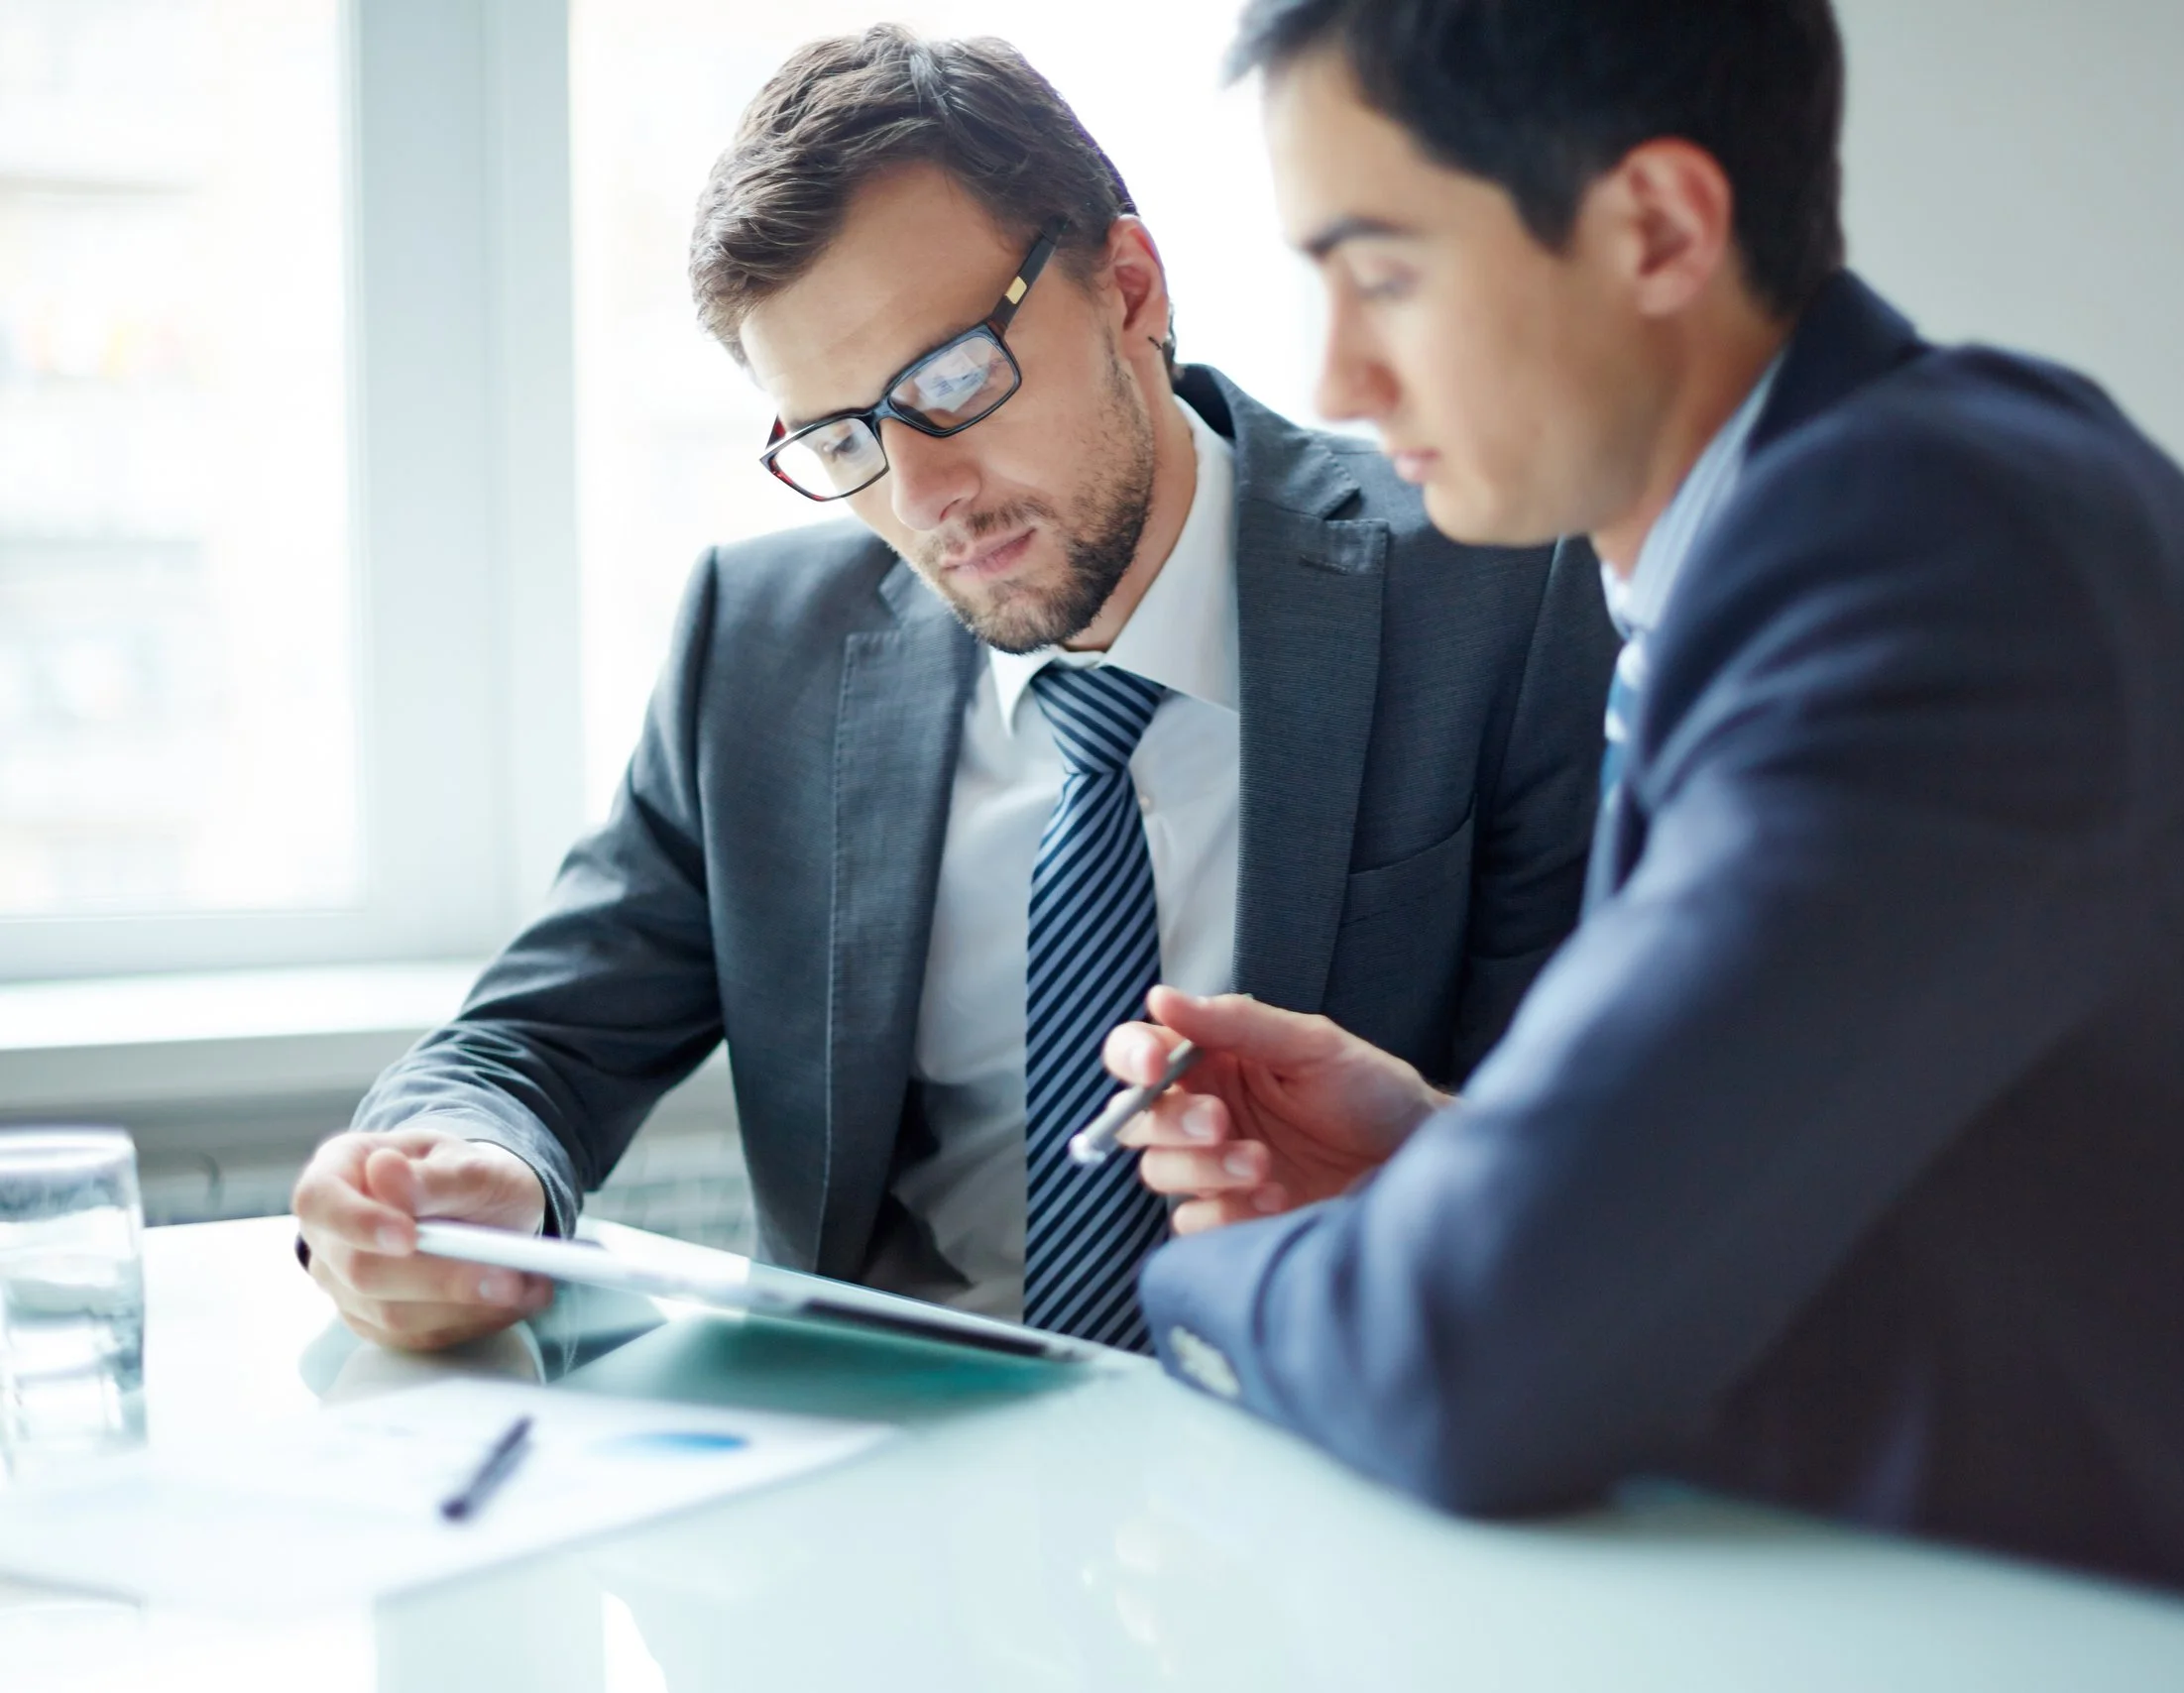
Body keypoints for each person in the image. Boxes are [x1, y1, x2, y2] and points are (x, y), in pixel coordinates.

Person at [1104, 0, 2184, 1651]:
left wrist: (1174, 1291)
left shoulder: (1936, 556)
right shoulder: (1825, 529)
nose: (1331, 371)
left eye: (1384, 270)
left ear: (1661, 229)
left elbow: (1477, 1360)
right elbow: (1859, 1170)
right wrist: (1434, 1165)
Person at [289, 27, 1613, 1357]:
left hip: (1333, 1441)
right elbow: (530, 1043)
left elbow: (1623, 1139)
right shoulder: (759, 649)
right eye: (841, 439)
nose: (922, 501)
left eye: (950, 382)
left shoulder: (1497, 589)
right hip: (898, 1472)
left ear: (1132, 288)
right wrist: (447, 1174)